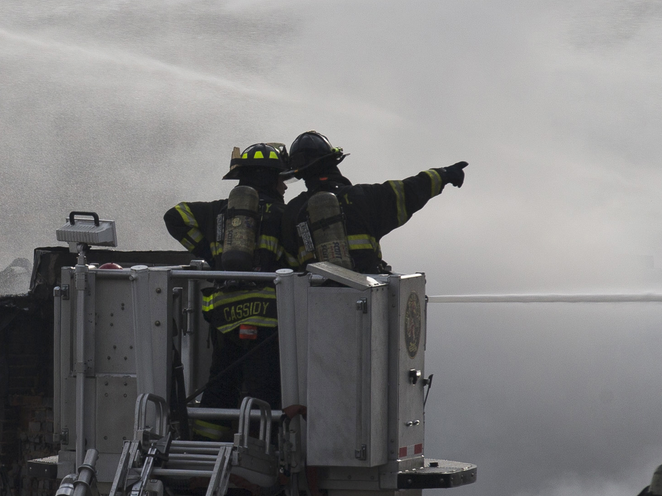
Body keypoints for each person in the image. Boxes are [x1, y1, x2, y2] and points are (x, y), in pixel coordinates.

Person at [163, 143, 293, 437]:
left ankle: (208, 439)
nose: (284, 186)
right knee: (265, 385)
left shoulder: (217, 211)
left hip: (225, 314)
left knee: (222, 379)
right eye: (281, 178)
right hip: (269, 317)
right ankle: (262, 447)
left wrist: (211, 254)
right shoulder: (285, 214)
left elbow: (175, 215)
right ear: (269, 178)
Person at [280, 131, 465, 275]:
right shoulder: (364, 197)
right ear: (333, 161)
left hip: (313, 305)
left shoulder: (293, 211)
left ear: (301, 173)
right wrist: (445, 174)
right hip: (366, 298)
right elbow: (410, 190)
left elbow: (288, 268)